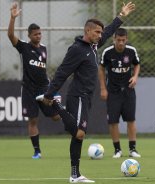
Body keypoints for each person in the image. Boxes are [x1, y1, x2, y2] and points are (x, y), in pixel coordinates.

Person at [40, 2, 135, 183]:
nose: (100, 35)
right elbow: (62, 72)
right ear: (88, 31)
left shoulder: (92, 46)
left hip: (87, 97)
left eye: (100, 33)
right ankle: (58, 105)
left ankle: (75, 175)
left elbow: (108, 32)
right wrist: (49, 94)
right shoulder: (77, 49)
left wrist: (121, 16)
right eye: (97, 32)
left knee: (78, 135)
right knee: (79, 133)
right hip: (78, 95)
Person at [7, 2, 61, 159]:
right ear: (29, 35)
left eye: (40, 34)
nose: (38, 36)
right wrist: (12, 18)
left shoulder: (43, 48)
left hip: (44, 88)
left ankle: (61, 106)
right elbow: (10, 35)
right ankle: (37, 151)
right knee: (33, 120)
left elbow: (42, 70)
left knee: (56, 117)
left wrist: (50, 87)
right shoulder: (23, 47)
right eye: (35, 34)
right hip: (29, 90)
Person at [98, 28, 141, 159]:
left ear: (126, 39)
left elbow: (137, 64)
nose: (121, 43)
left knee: (131, 120)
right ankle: (117, 150)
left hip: (128, 90)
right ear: (114, 39)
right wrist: (103, 89)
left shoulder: (131, 51)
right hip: (113, 91)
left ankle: (132, 149)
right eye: (118, 40)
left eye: (123, 40)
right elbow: (101, 68)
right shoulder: (107, 52)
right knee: (113, 122)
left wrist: (135, 76)